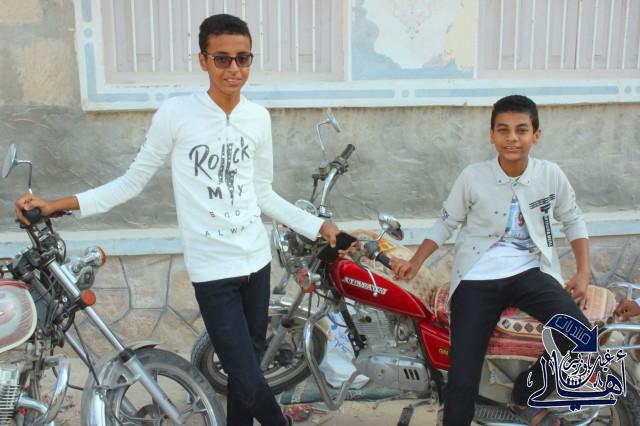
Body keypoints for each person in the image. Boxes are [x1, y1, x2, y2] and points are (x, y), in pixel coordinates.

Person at [15, 14, 338, 426]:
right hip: (213, 271)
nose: (234, 69)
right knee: (247, 378)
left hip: (256, 264)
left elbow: (263, 194)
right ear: (203, 60)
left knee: (247, 376)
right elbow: (131, 182)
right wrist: (56, 205)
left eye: (243, 58)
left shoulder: (258, 118)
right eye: (222, 59)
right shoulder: (177, 114)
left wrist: (320, 227)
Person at [391, 95, 591, 426]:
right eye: (503, 130)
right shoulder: (473, 176)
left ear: (536, 135)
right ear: (491, 135)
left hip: (530, 271)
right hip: (476, 277)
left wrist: (583, 273)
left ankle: (526, 393)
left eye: (521, 130)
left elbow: (573, 219)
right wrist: (416, 260)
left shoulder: (550, 174)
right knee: (462, 379)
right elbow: (446, 222)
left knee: (580, 335)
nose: (512, 138)